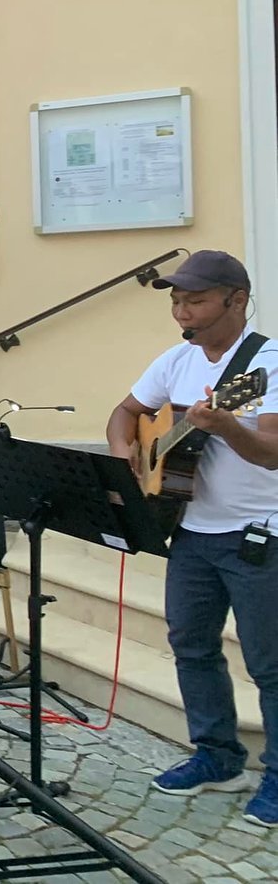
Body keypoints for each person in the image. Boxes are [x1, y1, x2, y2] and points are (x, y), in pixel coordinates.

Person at [107, 249, 278, 825]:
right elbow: (125, 412)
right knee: (192, 646)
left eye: (196, 301)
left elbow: (273, 453)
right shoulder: (175, 361)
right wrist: (126, 452)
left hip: (258, 532)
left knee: (270, 664)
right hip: (191, 530)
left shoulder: (268, 364)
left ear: (236, 300)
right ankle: (218, 757)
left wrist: (225, 425)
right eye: (177, 301)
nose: (182, 312)